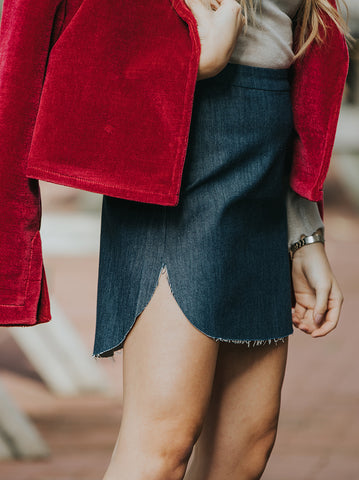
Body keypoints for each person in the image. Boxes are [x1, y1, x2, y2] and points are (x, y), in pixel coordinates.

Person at [93, 1, 349, 480]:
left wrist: (303, 231)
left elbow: (301, 60)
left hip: (264, 152)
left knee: (247, 443)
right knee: (162, 443)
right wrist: (190, 60)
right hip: (180, 147)